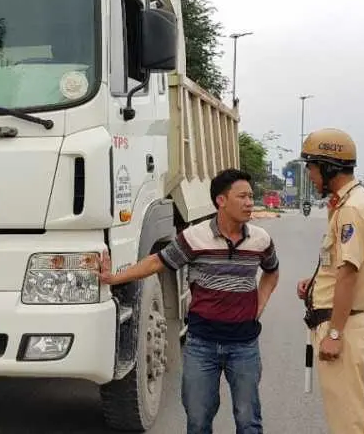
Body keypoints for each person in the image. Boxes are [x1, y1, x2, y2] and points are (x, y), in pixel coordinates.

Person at [95, 168, 280, 434]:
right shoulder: (195, 238)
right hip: (202, 345)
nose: (250, 202)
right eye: (242, 197)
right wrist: (114, 278)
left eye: (251, 196)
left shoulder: (260, 240)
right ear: (221, 200)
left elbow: (272, 272)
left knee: (248, 420)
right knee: (198, 420)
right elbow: (156, 262)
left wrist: (258, 306)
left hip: (244, 345)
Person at [295, 128, 364, 434]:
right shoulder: (347, 203)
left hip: (341, 325)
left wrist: (334, 333)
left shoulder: (352, 209)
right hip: (338, 321)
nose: (310, 176)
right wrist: (314, 283)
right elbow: (338, 265)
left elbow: (348, 274)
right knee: (345, 418)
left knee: (349, 423)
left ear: (328, 167)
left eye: (312, 168)